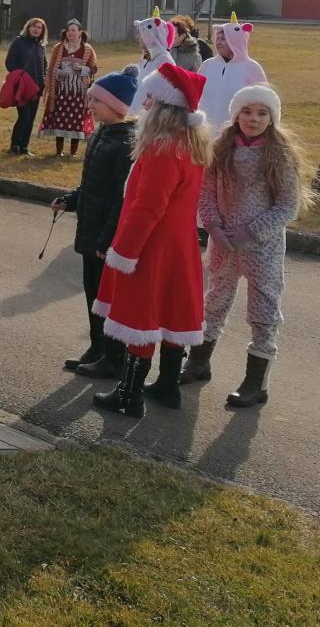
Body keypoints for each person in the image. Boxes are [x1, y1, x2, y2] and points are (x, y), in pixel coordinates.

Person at [91, 63, 212, 419]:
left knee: (140, 319)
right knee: (171, 314)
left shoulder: (163, 148)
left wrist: (124, 251)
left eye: (150, 99)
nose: (143, 105)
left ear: (163, 107)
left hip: (152, 245)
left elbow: (147, 208)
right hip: (179, 244)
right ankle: (167, 386)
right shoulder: (191, 144)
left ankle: (129, 396)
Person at [183, 85, 312, 407]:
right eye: (247, 112)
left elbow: (287, 206)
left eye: (262, 113)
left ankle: (256, 384)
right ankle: (198, 362)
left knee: (263, 310)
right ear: (236, 114)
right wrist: (214, 227)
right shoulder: (220, 149)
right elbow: (206, 193)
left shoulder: (278, 154)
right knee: (214, 301)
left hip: (261, 249)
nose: (254, 119)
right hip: (223, 244)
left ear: (272, 117)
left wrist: (250, 234)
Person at [52, 65, 140, 378]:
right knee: (92, 292)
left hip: (105, 236)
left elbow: (120, 198)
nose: (90, 105)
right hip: (91, 229)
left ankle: (112, 356)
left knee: (107, 297)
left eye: (96, 101)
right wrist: (71, 199)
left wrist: (106, 239)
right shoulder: (101, 133)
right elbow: (91, 183)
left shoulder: (126, 143)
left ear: (116, 106)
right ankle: (97, 346)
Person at [197, 13, 267, 132]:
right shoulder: (208, 65)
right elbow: (195, 93)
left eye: (224, 39)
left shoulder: (252, 67)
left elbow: (264, 101)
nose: (218, 42)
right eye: (217, 38)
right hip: (205, 131)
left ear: (236, 40)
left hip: (235, 132)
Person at [38, 19, 98, 158]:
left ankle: (73, 152)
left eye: (73, 30)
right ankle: (59, 151)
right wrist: (60, 73)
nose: (70, 33)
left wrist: (82, 69)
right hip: (61, 91)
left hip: (79, 92)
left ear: (80, 33)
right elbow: (51, 68)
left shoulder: (87, 49)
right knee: (60, 119)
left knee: (76, 120)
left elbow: (94, 68)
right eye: (69, 30)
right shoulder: (58, 48)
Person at [5, 18, 48, 155]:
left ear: (42, 31)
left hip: (37, 89)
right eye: (34, 26)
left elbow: (44, 66)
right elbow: (9, 62)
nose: (36, 29)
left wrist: (42, 84)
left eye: (39, 27)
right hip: (22, 87)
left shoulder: (41, 46)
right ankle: (14, 145)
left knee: (31, 119)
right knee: (24, 117)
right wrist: (21, 77)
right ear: (28, 27)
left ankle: (24, 147)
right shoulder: (19, 42)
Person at [129, 11, 175, 115]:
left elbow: (165, 93)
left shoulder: (164, 60)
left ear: (151, 36)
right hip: (137, 114)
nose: (138, 38)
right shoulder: (146, 58)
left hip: (149, 116)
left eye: (141, 34)